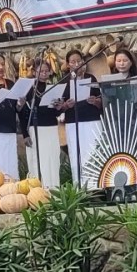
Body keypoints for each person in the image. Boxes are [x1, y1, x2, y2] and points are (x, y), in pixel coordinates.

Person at [58, 50, 103, 188]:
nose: (76, 64)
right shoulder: (64, 81)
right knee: (77, 154)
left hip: (92, 121)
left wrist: (95, 101)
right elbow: (58, 106)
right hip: (73, 122)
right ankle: (81, 188)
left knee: (94, 152)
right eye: (73, 62)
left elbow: (101, 100)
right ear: (68, 64)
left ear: (83, 62)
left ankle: (98, 187)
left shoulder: (91, 78)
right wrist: (66, 105)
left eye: (79, 61)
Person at [20, 60, 61, 188]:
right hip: (35, 128)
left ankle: (53, 189)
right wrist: (25, 134)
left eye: (46, 71)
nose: (44, 74)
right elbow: (22, 113)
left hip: (51, 127)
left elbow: (54, 113)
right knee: (37, 160)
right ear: (34, 72)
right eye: (40, 71)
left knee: (52, 159)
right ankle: (38, 191)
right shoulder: (29, 89)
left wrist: (59, 107)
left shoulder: (52, 88)